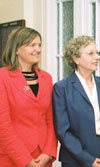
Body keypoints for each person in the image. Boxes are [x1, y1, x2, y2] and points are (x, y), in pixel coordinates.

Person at [53, 35, 100, 167]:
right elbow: (63, 131)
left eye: (97, 53)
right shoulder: (61, 88)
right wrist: (88, 160)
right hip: (76, 159)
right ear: (76, 59)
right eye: (90, 53)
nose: (96, 57)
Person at [0, 27, 57, 167]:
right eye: (32, 45)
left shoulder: (46, 78)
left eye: (39, 45)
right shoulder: (3, 77)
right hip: (12, 157)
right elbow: (3, 125)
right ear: (17, 49)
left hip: (42, 157)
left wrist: (49, 152)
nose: (38, 49)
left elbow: (51, 119)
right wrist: (25, 161)